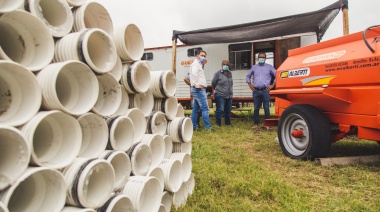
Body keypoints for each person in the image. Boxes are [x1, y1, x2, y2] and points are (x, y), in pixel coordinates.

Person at [246, 52, 276, 128]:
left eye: (263, 57)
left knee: (266, 108)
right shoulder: (254, 67)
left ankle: (267, 125)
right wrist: (250, 85)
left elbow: (277, 75)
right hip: (256, 90)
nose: (261, 59)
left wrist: (272, 85)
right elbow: (248, 76)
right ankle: (255, 124)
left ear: (265, 59)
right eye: (260, 57)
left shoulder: (269, 67)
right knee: (256, 108)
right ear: (258, 58)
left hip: (265, 90)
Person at [189, 50, 212, 131]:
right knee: (205, 109)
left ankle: (194, 127)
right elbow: (194, 74)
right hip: (198, 89)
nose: (203, 57)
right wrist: (196, 85)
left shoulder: (198, 64)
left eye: (204, 56)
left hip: (197, 89)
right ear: (197, 55)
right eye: (202, 55)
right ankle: (208, 128)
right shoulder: (196, 64)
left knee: (195, 109)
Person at [211, 60, 233, 126]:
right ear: (221, 65)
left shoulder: (230, 73)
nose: (225, 66)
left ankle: (228, 123)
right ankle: (218, 124)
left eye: (226, 64)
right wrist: (217, 90)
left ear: (228, 66)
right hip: (220, 95)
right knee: (220, 110)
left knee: (228, 110)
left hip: (229, 95)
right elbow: (213, 83)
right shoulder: (218, 73)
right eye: (223, 64)